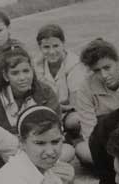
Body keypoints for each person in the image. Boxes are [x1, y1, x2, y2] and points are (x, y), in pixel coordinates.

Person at [0, 48, 61, 136]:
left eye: (26, 71)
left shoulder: (45, 93)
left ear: (32, 71)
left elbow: (55, 125)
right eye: (15, 73)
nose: (22, 78)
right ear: (5, 76)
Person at [33, 24, 87, 162]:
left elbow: (76, 103)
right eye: (46, 47)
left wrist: (55, 105)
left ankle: (75, 138)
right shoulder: (36, 64)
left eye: (56, 46)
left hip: (70, 111)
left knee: (74, 121)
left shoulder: (74, 64)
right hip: (49, 110)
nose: (51, 51)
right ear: (40, 48)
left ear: (63, 44)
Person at [74, 38, 119, 165]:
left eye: (107, 67)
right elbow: (90, 132)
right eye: (96, 70)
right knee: (82, 150)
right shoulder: (85, 88)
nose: (104, 75)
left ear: (117, 62)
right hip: (103, 140)